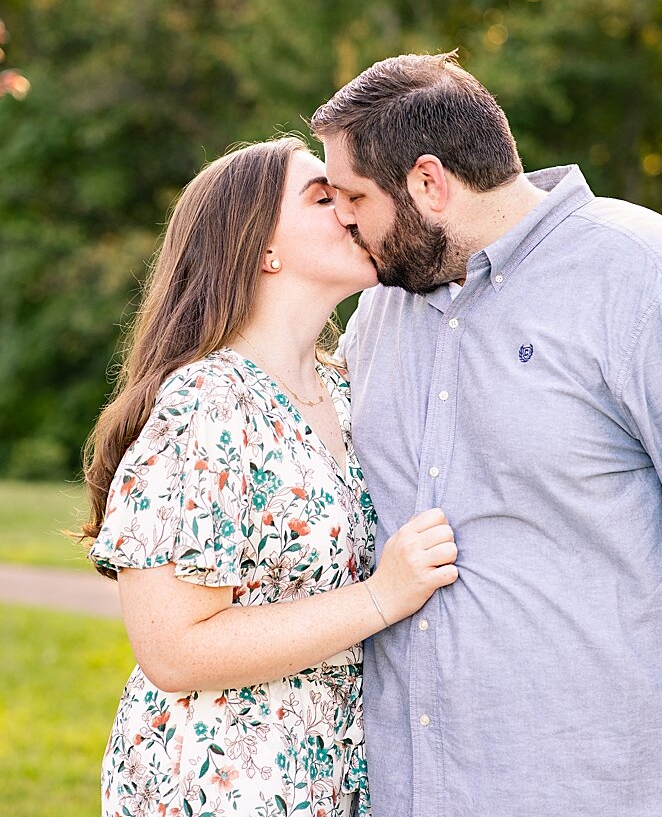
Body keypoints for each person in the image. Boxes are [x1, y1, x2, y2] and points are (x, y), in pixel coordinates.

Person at [311, 51, 662, 816]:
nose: (342, 218)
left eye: (352, 196)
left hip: (592, 787)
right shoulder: (378, 308)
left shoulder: (640, 273)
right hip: (407, 788)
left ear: (429, 183)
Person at [82, 136, 459, 817]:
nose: (351, 209)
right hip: (224, 782)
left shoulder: (348, 388)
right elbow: (173, 648)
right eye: (324, 197)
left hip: (334, 773)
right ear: (261, 249)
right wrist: (383, 597)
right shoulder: (208, 401)